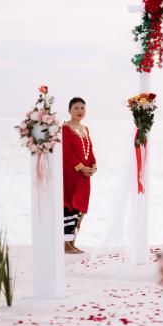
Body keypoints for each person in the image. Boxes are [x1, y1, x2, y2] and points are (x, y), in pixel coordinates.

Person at [62, 97, 97, 254]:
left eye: (82, 108)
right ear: (69, 110)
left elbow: (90, 150)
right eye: (76, 108)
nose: (79, 111)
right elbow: (67, 151)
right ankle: (65, 244)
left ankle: (72, 241)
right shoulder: (65, 128)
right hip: (71, 174)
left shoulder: (85, 129)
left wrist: (93, 166)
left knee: (80, 208)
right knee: (69, 206)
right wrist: (81, 167)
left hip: (85, 176)